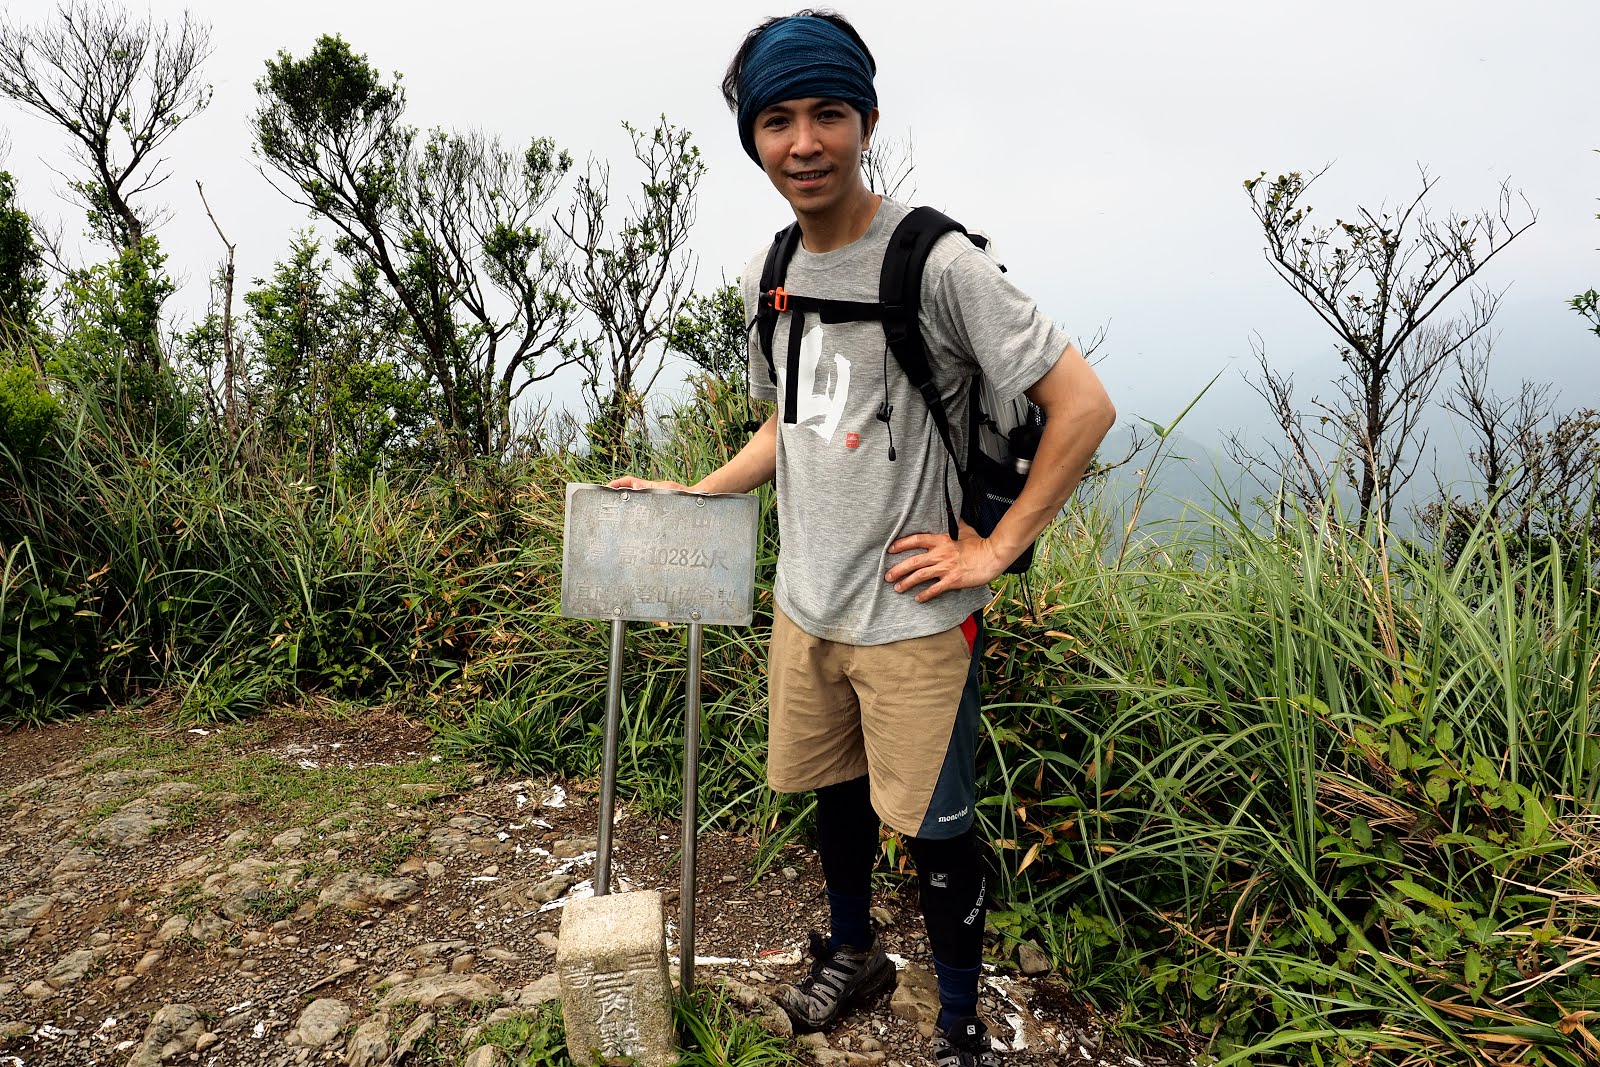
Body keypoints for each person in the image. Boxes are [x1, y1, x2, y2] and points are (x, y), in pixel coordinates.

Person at [611, 10, 1115, 1065]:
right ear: (753, 138)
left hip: (916, 615)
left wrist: (991, 551)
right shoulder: (774, 266)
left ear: (867, 121)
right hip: (809, 600)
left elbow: (1083, 406)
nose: (804, 143)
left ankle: (959, 1026)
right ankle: (853, 953)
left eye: (827, 114)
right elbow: (786, 425)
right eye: (778, 121)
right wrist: (696, 492)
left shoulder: (937, 262)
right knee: (833, 796)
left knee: (938, 829)